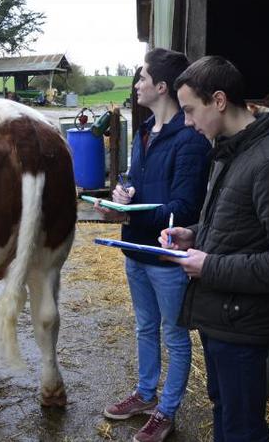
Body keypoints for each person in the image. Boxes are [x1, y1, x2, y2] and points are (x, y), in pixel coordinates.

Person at [161, 56, 269, 442]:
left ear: (218, 100)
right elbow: (239, 224)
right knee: (227, 415)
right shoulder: (230, 151)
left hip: (244, 324)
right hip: (223, 315)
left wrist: (209, 266)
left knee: (242, 430)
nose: (186, 121)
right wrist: (194, 235)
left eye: (189, 110)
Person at [96, 48, 211, 442]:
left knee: (175, 337)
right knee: (145, 327)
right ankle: (146, 394)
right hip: (135, 251)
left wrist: (132, 214)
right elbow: (134, 181)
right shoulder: (143, 131)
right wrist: (121, 195)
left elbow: (184, 208)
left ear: (161, 87)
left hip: (166, 256)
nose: (137, 84)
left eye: (142, 78)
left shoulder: (190, 140)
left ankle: (167, 410)